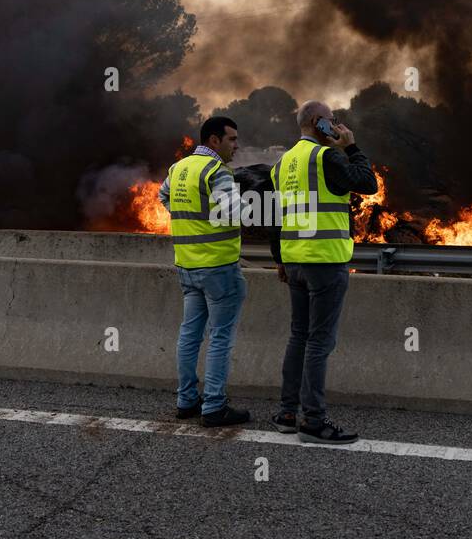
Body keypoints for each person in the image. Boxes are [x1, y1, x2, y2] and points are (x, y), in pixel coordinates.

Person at [267, 100, 376, 444]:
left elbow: (276, 217)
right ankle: (313, 421)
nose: (337, 125)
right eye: (333, 121)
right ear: (318, 123)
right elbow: (368, 184)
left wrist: (280, 260)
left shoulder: (281, 164)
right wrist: (352, 146)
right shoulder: (326, 157)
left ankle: (287, 413)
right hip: (325, 261)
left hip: (295, 261)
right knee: (319, 341)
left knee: (299, 335)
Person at [158, 116, 250, 427]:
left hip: (187, 264)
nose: (236, 146)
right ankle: (214, 406)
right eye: (232, 140)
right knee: (220, 337)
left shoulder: (179, 167)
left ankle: (186, 401)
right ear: (214, 141)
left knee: (190, 334)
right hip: (219, 267)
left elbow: (163, 196)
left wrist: (193, 218)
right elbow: (235, 213)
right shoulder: (216, 170)